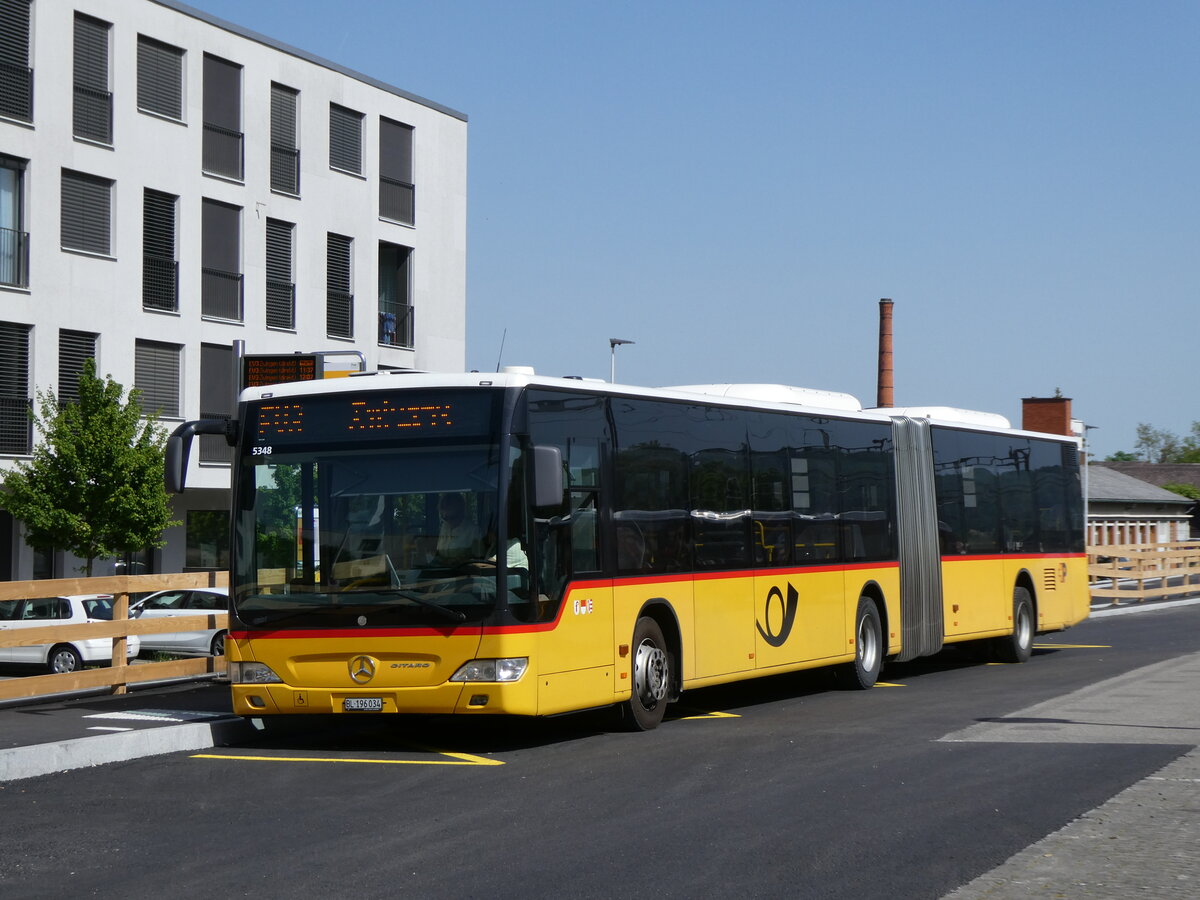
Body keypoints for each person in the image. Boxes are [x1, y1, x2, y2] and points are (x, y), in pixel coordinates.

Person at [435, 492, 482, 565]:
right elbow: (439, 552)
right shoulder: (444, 527)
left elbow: (478, 559)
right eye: (444, 518)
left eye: (452, 517)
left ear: (461, 513)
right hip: (442, 572)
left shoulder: (474, 531)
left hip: (464, 573)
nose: (448, 521)